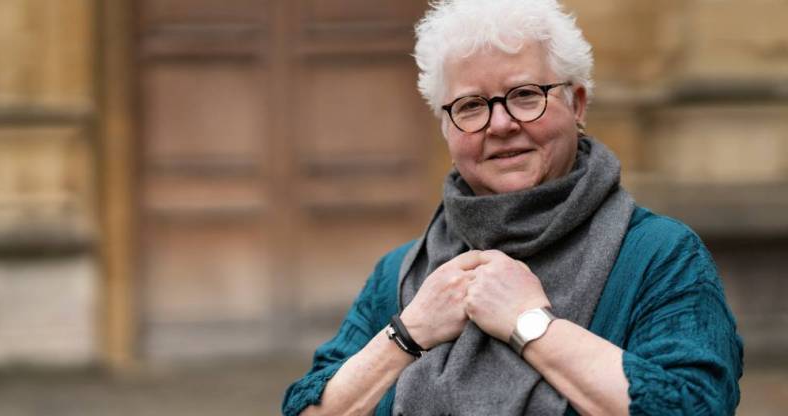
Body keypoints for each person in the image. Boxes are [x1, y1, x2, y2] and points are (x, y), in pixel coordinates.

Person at [282, 0, 743, 414]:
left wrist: (530, 325)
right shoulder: (399, 274)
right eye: (470, 105)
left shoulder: (660, 256)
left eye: (525, 95)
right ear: (446, 127)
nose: (500, 124)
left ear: (577, 103)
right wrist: (410, 332)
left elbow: (694, 406)